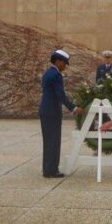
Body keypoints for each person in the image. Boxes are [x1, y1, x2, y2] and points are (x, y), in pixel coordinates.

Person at [39, 49, 83, 178]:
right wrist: (74, 108)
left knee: (48, 140)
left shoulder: (48, 73)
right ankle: (51, 170)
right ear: (58, 61)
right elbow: (61, 95)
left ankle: (48, 169)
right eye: (65, 63)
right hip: (51, 112)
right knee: (53, 141)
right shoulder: (56, 75)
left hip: (46, 110)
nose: (65, 66)